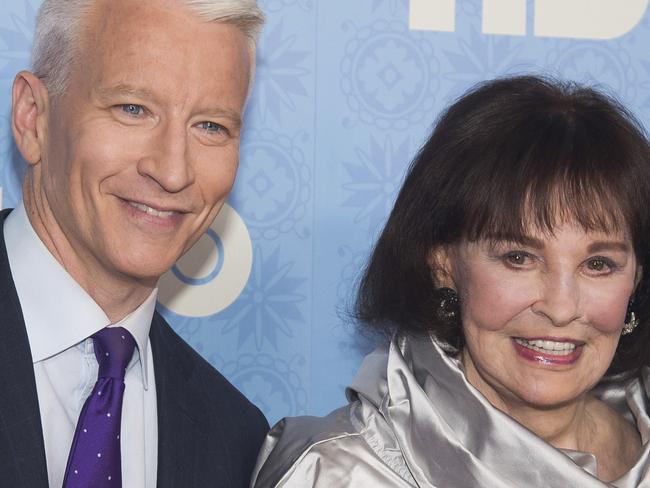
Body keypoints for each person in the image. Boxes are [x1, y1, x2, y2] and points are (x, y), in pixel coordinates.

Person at [251, 76, 650, 487]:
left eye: (598, 264)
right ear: (444, 266)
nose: (562, 307)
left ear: (635, 280)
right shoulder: (335, 473)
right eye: (519, 258)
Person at [0, 0, 269, 486]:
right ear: (32, 117)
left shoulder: (236, 439)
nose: (172, 171)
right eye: (133, 109)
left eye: (211, 126)